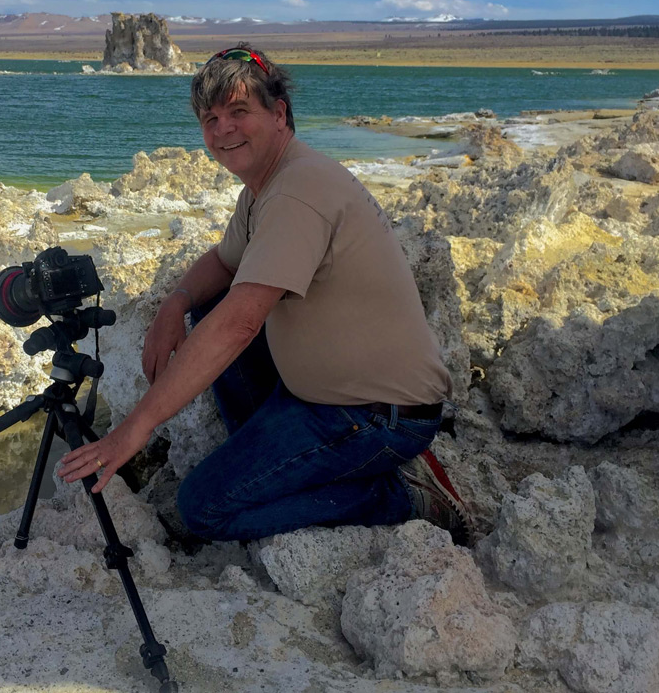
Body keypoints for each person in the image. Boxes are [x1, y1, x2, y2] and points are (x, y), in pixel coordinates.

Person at [58, 44, 469, 544]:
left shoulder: (297, 191)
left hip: (378, 417)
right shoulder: (266, 186)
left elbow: (240, 325)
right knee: (210, 303)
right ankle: (277, 465)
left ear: (278, 114)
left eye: (238, 112)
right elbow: (224, 263)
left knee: (203, 509)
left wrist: (134, 428)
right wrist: (177, 302)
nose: (222, 130)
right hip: (323, 397)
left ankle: (402, 494)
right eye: (210, 118)